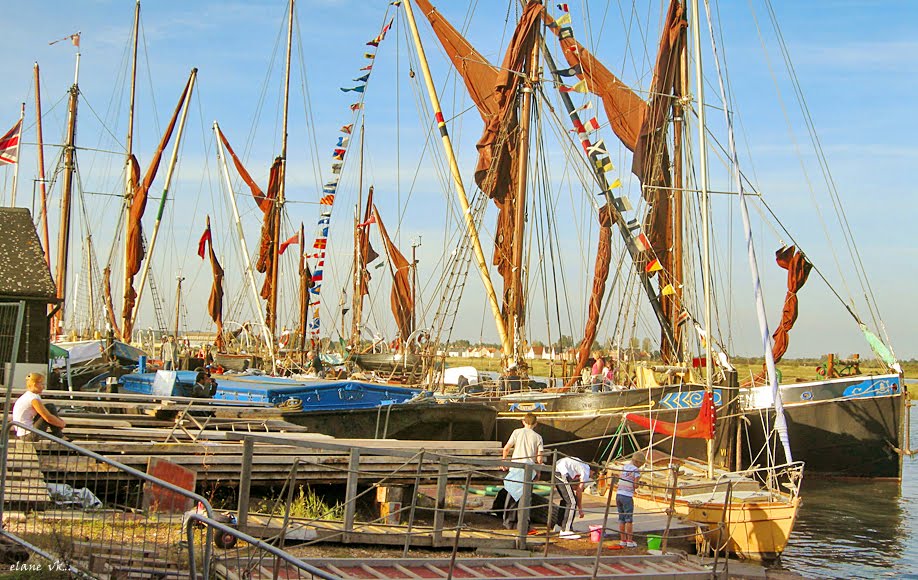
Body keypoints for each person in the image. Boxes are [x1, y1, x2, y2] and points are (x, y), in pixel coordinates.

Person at [499, 413, 544, 529]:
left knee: (512, 493)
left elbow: (507, 448)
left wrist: (504, 461)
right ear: (536, 424)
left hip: (516, 466)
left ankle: (508, 522)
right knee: (526, 497)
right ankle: (523, 524)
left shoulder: (516, 432)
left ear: (523, 422)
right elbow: (539, 458)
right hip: (529, 468)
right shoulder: (538, 437)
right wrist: (538, 472)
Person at [12, 373, 66, 440]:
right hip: (29, 435)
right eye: (42, 384)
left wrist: (58, 421)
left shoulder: (27, 396)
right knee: (49, 407)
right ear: (35, 384)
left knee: (49, 407)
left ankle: (59, 435)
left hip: (24, 434)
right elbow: (47, 417)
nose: (43, 387)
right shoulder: (33, 398)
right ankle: (59, 435)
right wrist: (61, 424)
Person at [554, 456, 590, 539]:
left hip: (557, 468)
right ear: (593, 472)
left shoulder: (580, 465)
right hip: (562, 471)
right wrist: (580, 509)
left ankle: (559, 526)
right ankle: (565, 530)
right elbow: (579, 490)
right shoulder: (586, 470)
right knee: (572, 502)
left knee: (566, 500)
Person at [616, 451, 646, 548]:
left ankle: (622, 540)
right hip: (627, 496)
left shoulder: (624, 467)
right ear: (638, 462)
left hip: (619, 494)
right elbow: (635, 485)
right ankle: (629, 541)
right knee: (629, 520)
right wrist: (640, 484)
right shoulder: (635, 470)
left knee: (621, 519)